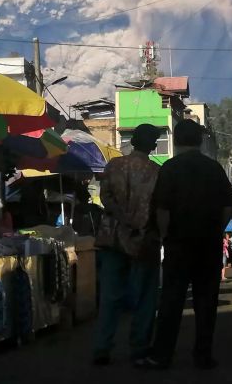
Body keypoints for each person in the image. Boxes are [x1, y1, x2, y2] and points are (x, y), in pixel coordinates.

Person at [139, 120, 232, 370]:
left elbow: (162, 210)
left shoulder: (170, 168)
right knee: (207, 302)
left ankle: (161, 355)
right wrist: (215, 229)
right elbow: (228, 207)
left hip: (178, 245)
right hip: (209, 245)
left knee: (172, 301)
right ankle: (203, 355)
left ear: (177, 140)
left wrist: (164, 236)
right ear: (199, 140)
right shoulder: (214, 168)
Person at [93, 124, 162, 366]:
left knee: (110, 296)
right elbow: (159, 210)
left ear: (132, 142)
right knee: (145, 297)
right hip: (144, 240)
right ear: (153, 145)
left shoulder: (114, 166)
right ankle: (139, 349)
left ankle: (102, 347)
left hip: (112, 238)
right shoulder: (157, 172)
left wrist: (122, 217)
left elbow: (105, 198)